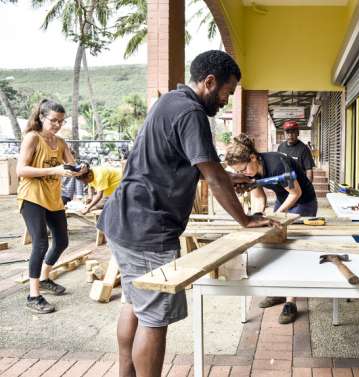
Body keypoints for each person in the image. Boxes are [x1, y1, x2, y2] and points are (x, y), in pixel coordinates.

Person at [97, 50, 277, 377]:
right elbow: (211, 175)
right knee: (154, 317)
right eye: (227, 92)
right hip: (148, 228)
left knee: (134, 304)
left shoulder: (170, 102)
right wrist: (247, 220)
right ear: (210, 82)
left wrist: (224, 175)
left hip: (123, 219)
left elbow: (182, 163)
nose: (227, 100)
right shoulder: (192, 112)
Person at [225, 133, 318, 324]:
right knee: (274, 246)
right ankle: (279, 291)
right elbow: (259, 197)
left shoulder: (277, 164)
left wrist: (275, 216)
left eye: (243, 169)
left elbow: (296, 193)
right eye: (239, 172)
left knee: (292, 251)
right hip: (284, 200)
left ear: (252, 157)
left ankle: (291, 302)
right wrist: (258, 217)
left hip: (303, 202)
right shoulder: (251, 171)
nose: (243, 173)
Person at [16, 99, 86, 314]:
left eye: (61, 121)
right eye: (53, 120)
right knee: (40, 243)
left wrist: (81, 170)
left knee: (62, 241)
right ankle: (33, 294)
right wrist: (53, 171)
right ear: (41, 118)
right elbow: (21, 170)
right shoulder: (32, 138)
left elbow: (72, 167)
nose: (57, 124)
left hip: (52, 198)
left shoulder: (61, 143)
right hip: (31, 197)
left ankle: (45, 277)